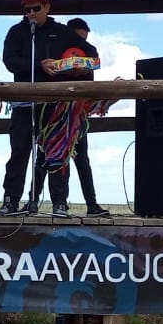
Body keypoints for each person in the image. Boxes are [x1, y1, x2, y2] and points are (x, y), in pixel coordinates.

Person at [0, 0, 92, 217]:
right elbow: (9, 61)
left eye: (36, 8)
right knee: (19, 151)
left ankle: (59, 203)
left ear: (47, 7)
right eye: (27, 10)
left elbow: (91, 55)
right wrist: (39, 64)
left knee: (57, 153)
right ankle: (10, 201)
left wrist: (76, 68)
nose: (31, 13)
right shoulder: (17, 32)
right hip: (24, 103)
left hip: (56, 105)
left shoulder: (63, 32)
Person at [64, 18, 109, 217]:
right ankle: (51, 203)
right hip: (55, 116)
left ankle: (92, 204)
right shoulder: (57, 49)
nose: (82, 42)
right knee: (47, 159)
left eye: (84, 39)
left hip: (78, 116)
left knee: (82, 160)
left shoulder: (89, 51)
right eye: (78, 38)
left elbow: (93, 67)